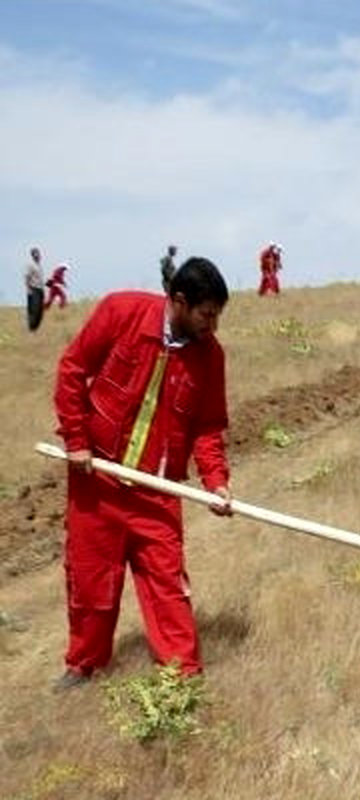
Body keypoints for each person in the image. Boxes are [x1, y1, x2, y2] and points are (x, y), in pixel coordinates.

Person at [52, 257, 234, 689]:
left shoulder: (210, 357)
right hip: (98, 482)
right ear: (179, 302)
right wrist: (77, 443)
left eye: (218, 316)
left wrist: (216, 481)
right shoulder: (121, 312)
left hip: (157, 491)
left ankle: (182, 677)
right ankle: (84, 666)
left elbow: (208, 427)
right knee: (92, 585)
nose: (213, 325)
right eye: (207, 315)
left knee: (168, 586)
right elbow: (72, 369)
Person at [25, 247, 45, 332]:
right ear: (33, 255)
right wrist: (29, 289)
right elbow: (27, 277)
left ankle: (35, 328)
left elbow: (40, 279)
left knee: (40, 311)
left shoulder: (39, 265)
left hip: (40, 290)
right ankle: (31, 328)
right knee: (34, 310)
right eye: (36, 254)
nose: (38, 255)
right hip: (34, 289)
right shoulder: (31, 265)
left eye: (38, 253)